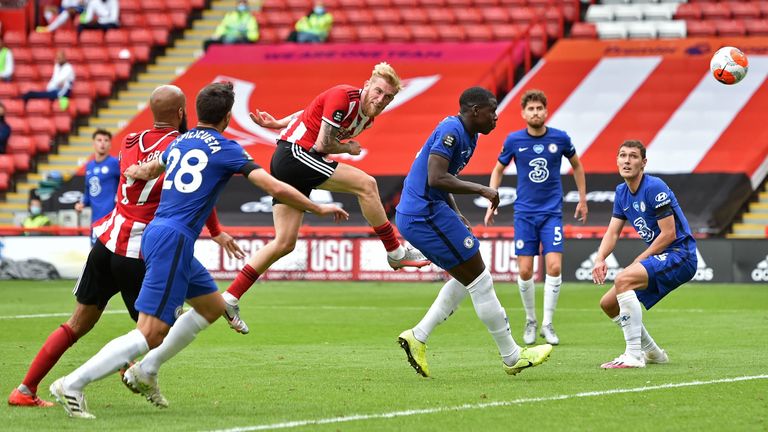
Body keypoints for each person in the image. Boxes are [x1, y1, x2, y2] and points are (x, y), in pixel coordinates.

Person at [49, 82, 348, 419]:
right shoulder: (227, 148)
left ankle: (146, 371)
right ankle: (72, 384)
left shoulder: (182, 141)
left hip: (158, 234)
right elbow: (274, 186)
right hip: (173, 240)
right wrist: (317, 207)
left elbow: (148, 169)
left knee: (210, 307)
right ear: (227, 117)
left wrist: (132, 171)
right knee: (150, 332)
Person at [7, 85, 242, 408]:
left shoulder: (130, 141)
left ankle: (25, 389)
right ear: (180, 114)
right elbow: (198, 192)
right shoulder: (184, 147)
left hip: (106, 243)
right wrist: (215, 231)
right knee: (155, 331)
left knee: (77, 324)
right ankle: (114, 375)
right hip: (141, 251)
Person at [219, 62, 429, 333]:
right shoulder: (343, 96)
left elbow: (308, 112)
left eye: (388, 97)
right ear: (366, 85)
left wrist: (279, 123)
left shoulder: (367, 117)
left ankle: (230, 297)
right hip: (295, 156)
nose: (381, 99)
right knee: (366, 184)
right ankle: (395, 251)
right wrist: (348, 148)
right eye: (378, 91)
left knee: (284, 243)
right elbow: (322, 145)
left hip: (294, 160)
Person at [395, 87, 553, 378]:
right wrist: (482, 189)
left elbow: (444, 180)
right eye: (492, 111)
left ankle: (418, 336)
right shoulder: (452, 130)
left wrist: (455, 213)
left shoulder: (470, 135)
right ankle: (512, 356)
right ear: (475, 111)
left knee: (470, 276)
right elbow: (436, 176)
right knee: (480, 280)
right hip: (422, 214)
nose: (496, 117)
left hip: (431, 211)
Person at [484, 89, 587, 346]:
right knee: (526, 269)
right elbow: (498, 170)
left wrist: (582, 199)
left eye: (539, 108)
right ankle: (530, 320)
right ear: (523, 113)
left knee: (553, 267)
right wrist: (492, 201)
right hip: (525, 214)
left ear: (546, 111)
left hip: (551, 212)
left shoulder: (560, 139)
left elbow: (577, 165)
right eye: (530, 109)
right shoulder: (514, 140)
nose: (535, 112)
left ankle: (548, 324)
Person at [592, 140, 696, 369]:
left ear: (643, 163)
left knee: (623, 279)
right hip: (663, 255)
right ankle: (653, 353)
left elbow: (669, 234)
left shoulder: (654, 187)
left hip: (681, 254)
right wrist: (600, 258)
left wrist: (639, 260)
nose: (627, 160)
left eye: (633, 156)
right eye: (622, 155)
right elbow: (613, 231)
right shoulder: (621, 192)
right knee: (608, 304)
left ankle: (633, 355)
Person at [75, 129, 120, 245]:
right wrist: (82, 204)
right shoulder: (89, 166)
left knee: (112, 257)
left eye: (106, 140)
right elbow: (88, 193)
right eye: (99, 140)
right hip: (96, 221)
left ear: (110, 144)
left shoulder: (114, 163)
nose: (102, 143)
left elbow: (126, 184)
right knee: (95, 257)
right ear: (93, 143)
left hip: (112, 220)